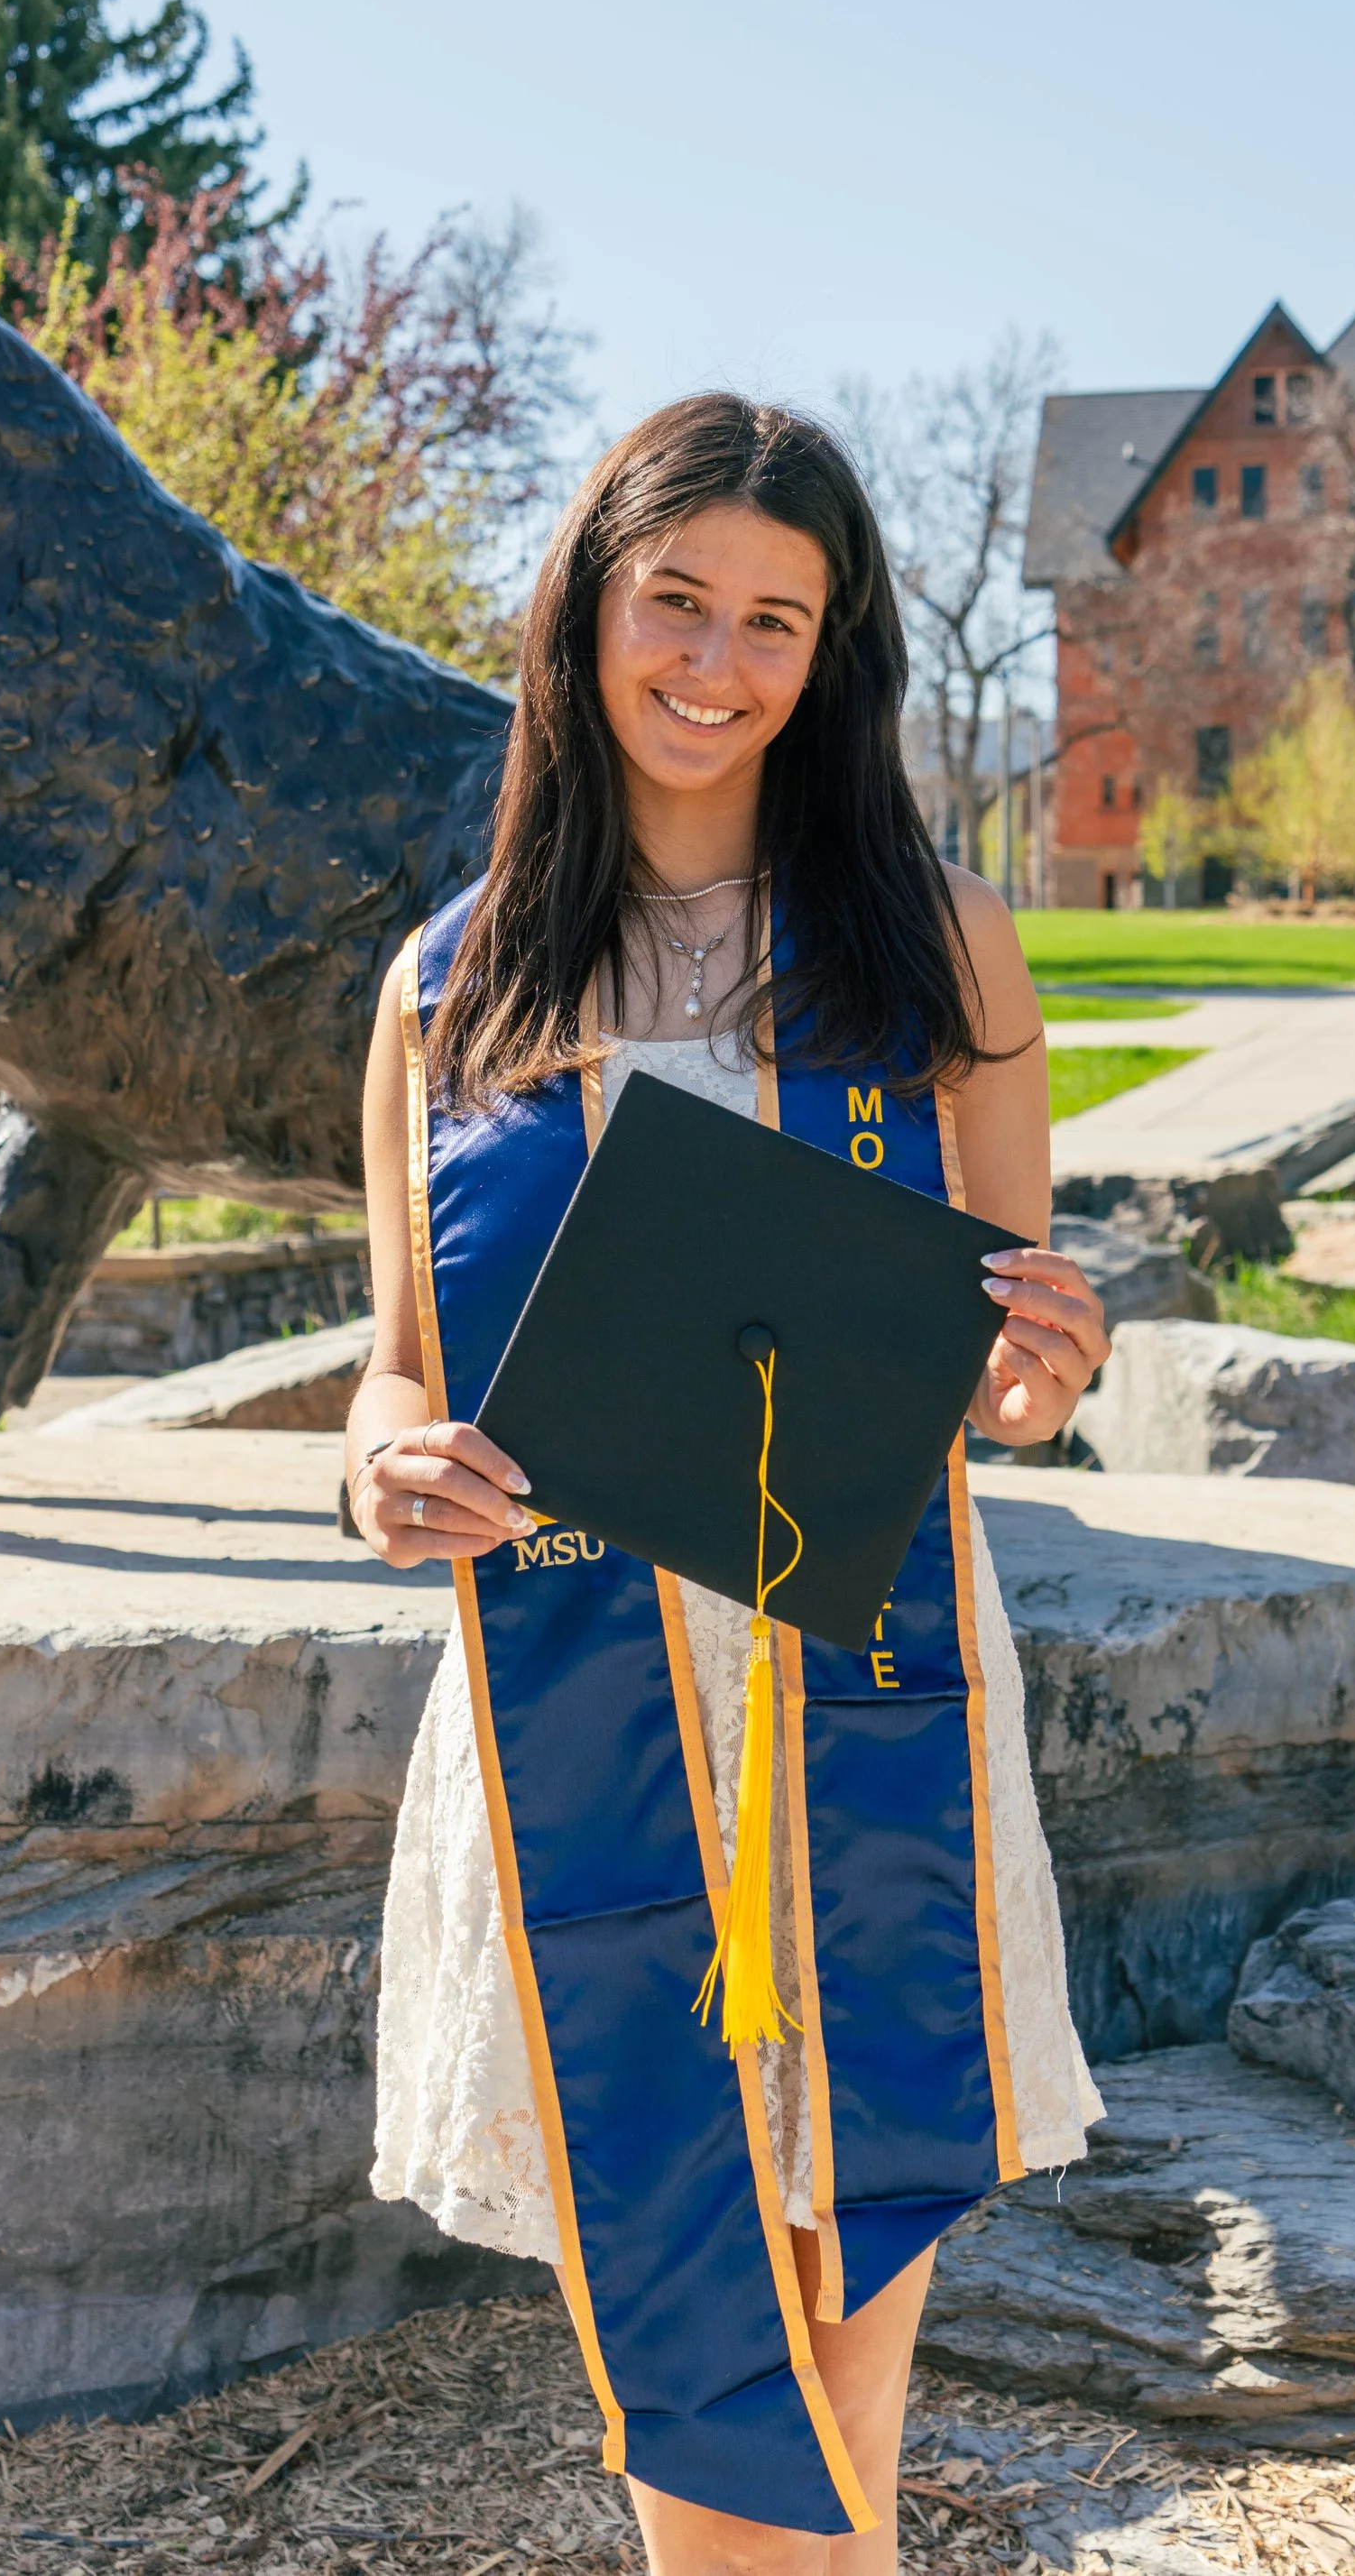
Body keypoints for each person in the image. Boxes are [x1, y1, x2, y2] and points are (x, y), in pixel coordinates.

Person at [345, 394, 1108, 2576]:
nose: (714, 660)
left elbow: (1003, 1370)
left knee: (846, 2291)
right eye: (672, 598)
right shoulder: (448, 986)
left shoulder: (933, 941)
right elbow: (394, 1366)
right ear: (586, 604)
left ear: (832, 649)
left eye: (774, 618)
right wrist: (384, 1468)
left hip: (864, 1665)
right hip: (582, 1679)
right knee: (677, 2293)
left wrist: (1044, 1375)